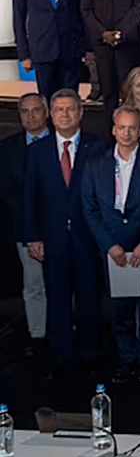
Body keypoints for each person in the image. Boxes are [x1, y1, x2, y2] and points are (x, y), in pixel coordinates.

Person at [81, 104, 140, 382]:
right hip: (113, 248)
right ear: (113, 130)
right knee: (118, 309)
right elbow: (90, 208)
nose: (126, 132)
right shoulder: (96, 164)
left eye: (132, 127)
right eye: (121, 127)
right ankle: (125, 359)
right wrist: (109, 246)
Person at [21, 90, 105, 374]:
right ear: (51, 115)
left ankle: (90, 357)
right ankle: (61, 359)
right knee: (56, 300)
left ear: (81, 113)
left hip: (89, 239)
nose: (65, 114)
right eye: (59, 110)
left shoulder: (99, 147)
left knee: (89, 300)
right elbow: (29, 197)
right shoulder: (37, 151)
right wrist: (32, 236)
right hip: (51, 240)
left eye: (71, 109)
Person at [1, 95, 50, 354]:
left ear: (46, 113)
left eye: (35, 111)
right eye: (25, 112)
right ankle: (38, 336)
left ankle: (64, 329)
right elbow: (8, 194)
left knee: (64, 284)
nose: (30, 117)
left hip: (60, 230)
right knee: (33, 285)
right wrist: (31, 232)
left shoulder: (60, 143)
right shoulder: (7, 149)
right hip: (26, 231)